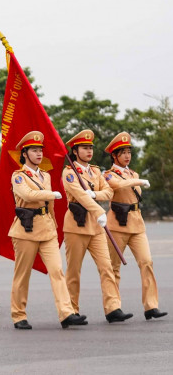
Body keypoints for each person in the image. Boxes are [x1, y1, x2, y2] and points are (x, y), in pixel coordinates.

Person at [9, 131, 87, 330]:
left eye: (40, 151)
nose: (39, 154)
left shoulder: (45, 175)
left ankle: (66, 313)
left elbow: (50, 204)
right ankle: (19, 315)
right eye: (34, 150)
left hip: (46, 227)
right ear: (25, 153)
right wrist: (50, 193)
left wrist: (54, 223)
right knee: (22, 274)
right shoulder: (18, 176)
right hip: (26, 229)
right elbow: (27, 194)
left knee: (57, 271)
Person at [62, 130, 132, 323]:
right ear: (75, 151)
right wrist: (98, 209)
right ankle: (72, 310)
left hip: (96, 226)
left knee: (106, 267)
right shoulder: (69, 173)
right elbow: (80, 195)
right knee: (74, 271)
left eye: (91, 147)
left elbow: (108, 192)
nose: (89, 151)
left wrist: (96, 196)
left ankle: (113, 308)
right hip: (77, 225)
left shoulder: (94, 171)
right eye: (85, 148)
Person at [103, 132, 167, 320]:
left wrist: (137, 179)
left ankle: (151, 306)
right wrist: (139, 181)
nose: (127, 156)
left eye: (129, 152)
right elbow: (119, 185)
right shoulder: (108, 175)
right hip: (117, 225)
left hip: (137, 224)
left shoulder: (133, 173)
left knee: (146, 262)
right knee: (113, 267)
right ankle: (112, 308)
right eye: (122, 152)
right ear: (114, 156)